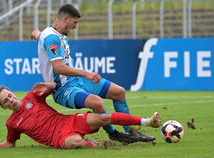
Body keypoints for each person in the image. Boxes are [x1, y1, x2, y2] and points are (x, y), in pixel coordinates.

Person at [30, 4, 154, 143]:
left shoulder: (52, 33)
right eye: (74, 22)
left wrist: (36, 33)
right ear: (65, 19)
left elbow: (40, 35)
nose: (75, 27)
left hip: (76, 81)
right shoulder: (51, 38)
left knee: (119, 92)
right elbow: (58, 68)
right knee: (97, 103)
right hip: (64, 90)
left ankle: (130, 132)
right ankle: (114, 134)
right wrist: (86, 74)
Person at [0, 82, 161, 150]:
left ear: (13, 93)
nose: (11, 100)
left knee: (104, 118)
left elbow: (53, 85)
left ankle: (147, 122)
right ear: (4, 108)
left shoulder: (32, 97)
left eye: (10, 96)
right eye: (6, 101)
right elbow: (10, 143)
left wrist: (48, 85)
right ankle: (99, 145)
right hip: (57, 138)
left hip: (67, 121)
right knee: (76, 142)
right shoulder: (12, 123)